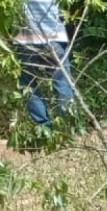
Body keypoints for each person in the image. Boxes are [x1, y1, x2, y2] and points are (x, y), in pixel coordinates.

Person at [13, 0, 75, 128]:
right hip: (54, 36)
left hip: (25, 40)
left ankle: (44, 128)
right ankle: (66, 128)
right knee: (62, 81)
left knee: (28, 85)